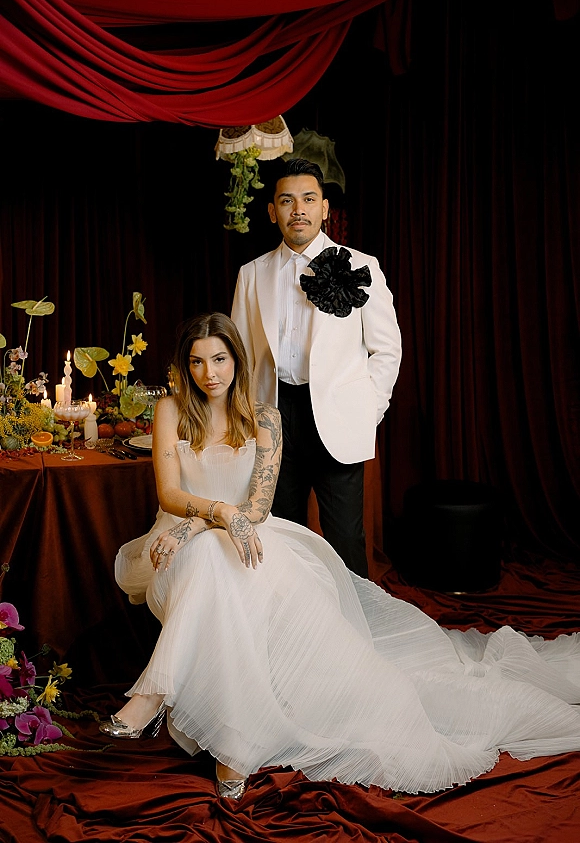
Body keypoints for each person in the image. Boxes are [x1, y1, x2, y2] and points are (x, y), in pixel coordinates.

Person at [102, 311, 580, 802]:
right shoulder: (171, 410)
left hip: (251, 541)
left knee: (225, 574)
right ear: (185, 366)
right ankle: (229, 746)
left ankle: (159, 700)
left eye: (220, 359)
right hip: (174, 546)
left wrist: (209, 520)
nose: (210, 374)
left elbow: (258, 508)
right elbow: (168, 495)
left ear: (236, 360)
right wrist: (214, 516)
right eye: (198, 362)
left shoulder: (264, 416)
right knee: (207, 562)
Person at [231, 158, 402, 578]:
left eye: (309, 199)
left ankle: (357, 632)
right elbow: (240, 357)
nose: (298, 210)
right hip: (274, 416)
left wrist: (368, 410)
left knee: (346, 537)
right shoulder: (251, 275)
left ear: (325, 208)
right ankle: (295, 630)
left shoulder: (361, 266)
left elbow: (387, 350)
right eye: (287, 201)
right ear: (273, 211)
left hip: (338, 417)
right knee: (283, 534)